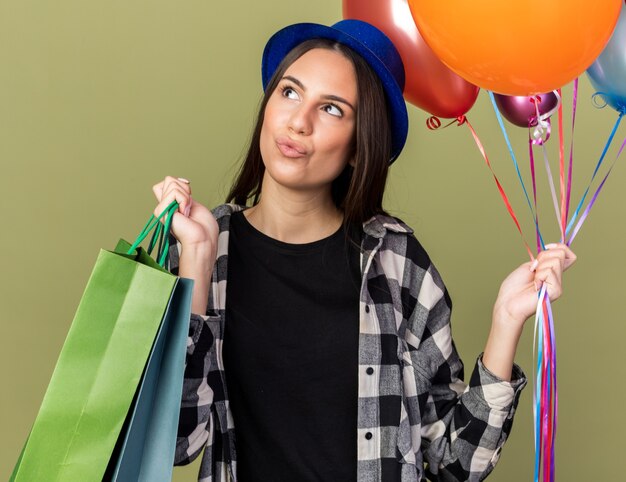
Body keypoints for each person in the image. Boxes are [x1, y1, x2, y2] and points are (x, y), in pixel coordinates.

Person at [151, 19, 576, 482]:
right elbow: (174, 441)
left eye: (331, 109)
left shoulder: (396, 262)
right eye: (289, 92)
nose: (298, 121)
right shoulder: (206, 251)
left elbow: (452, 464)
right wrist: (195, 256)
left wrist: (505, 321)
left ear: (359, 146)